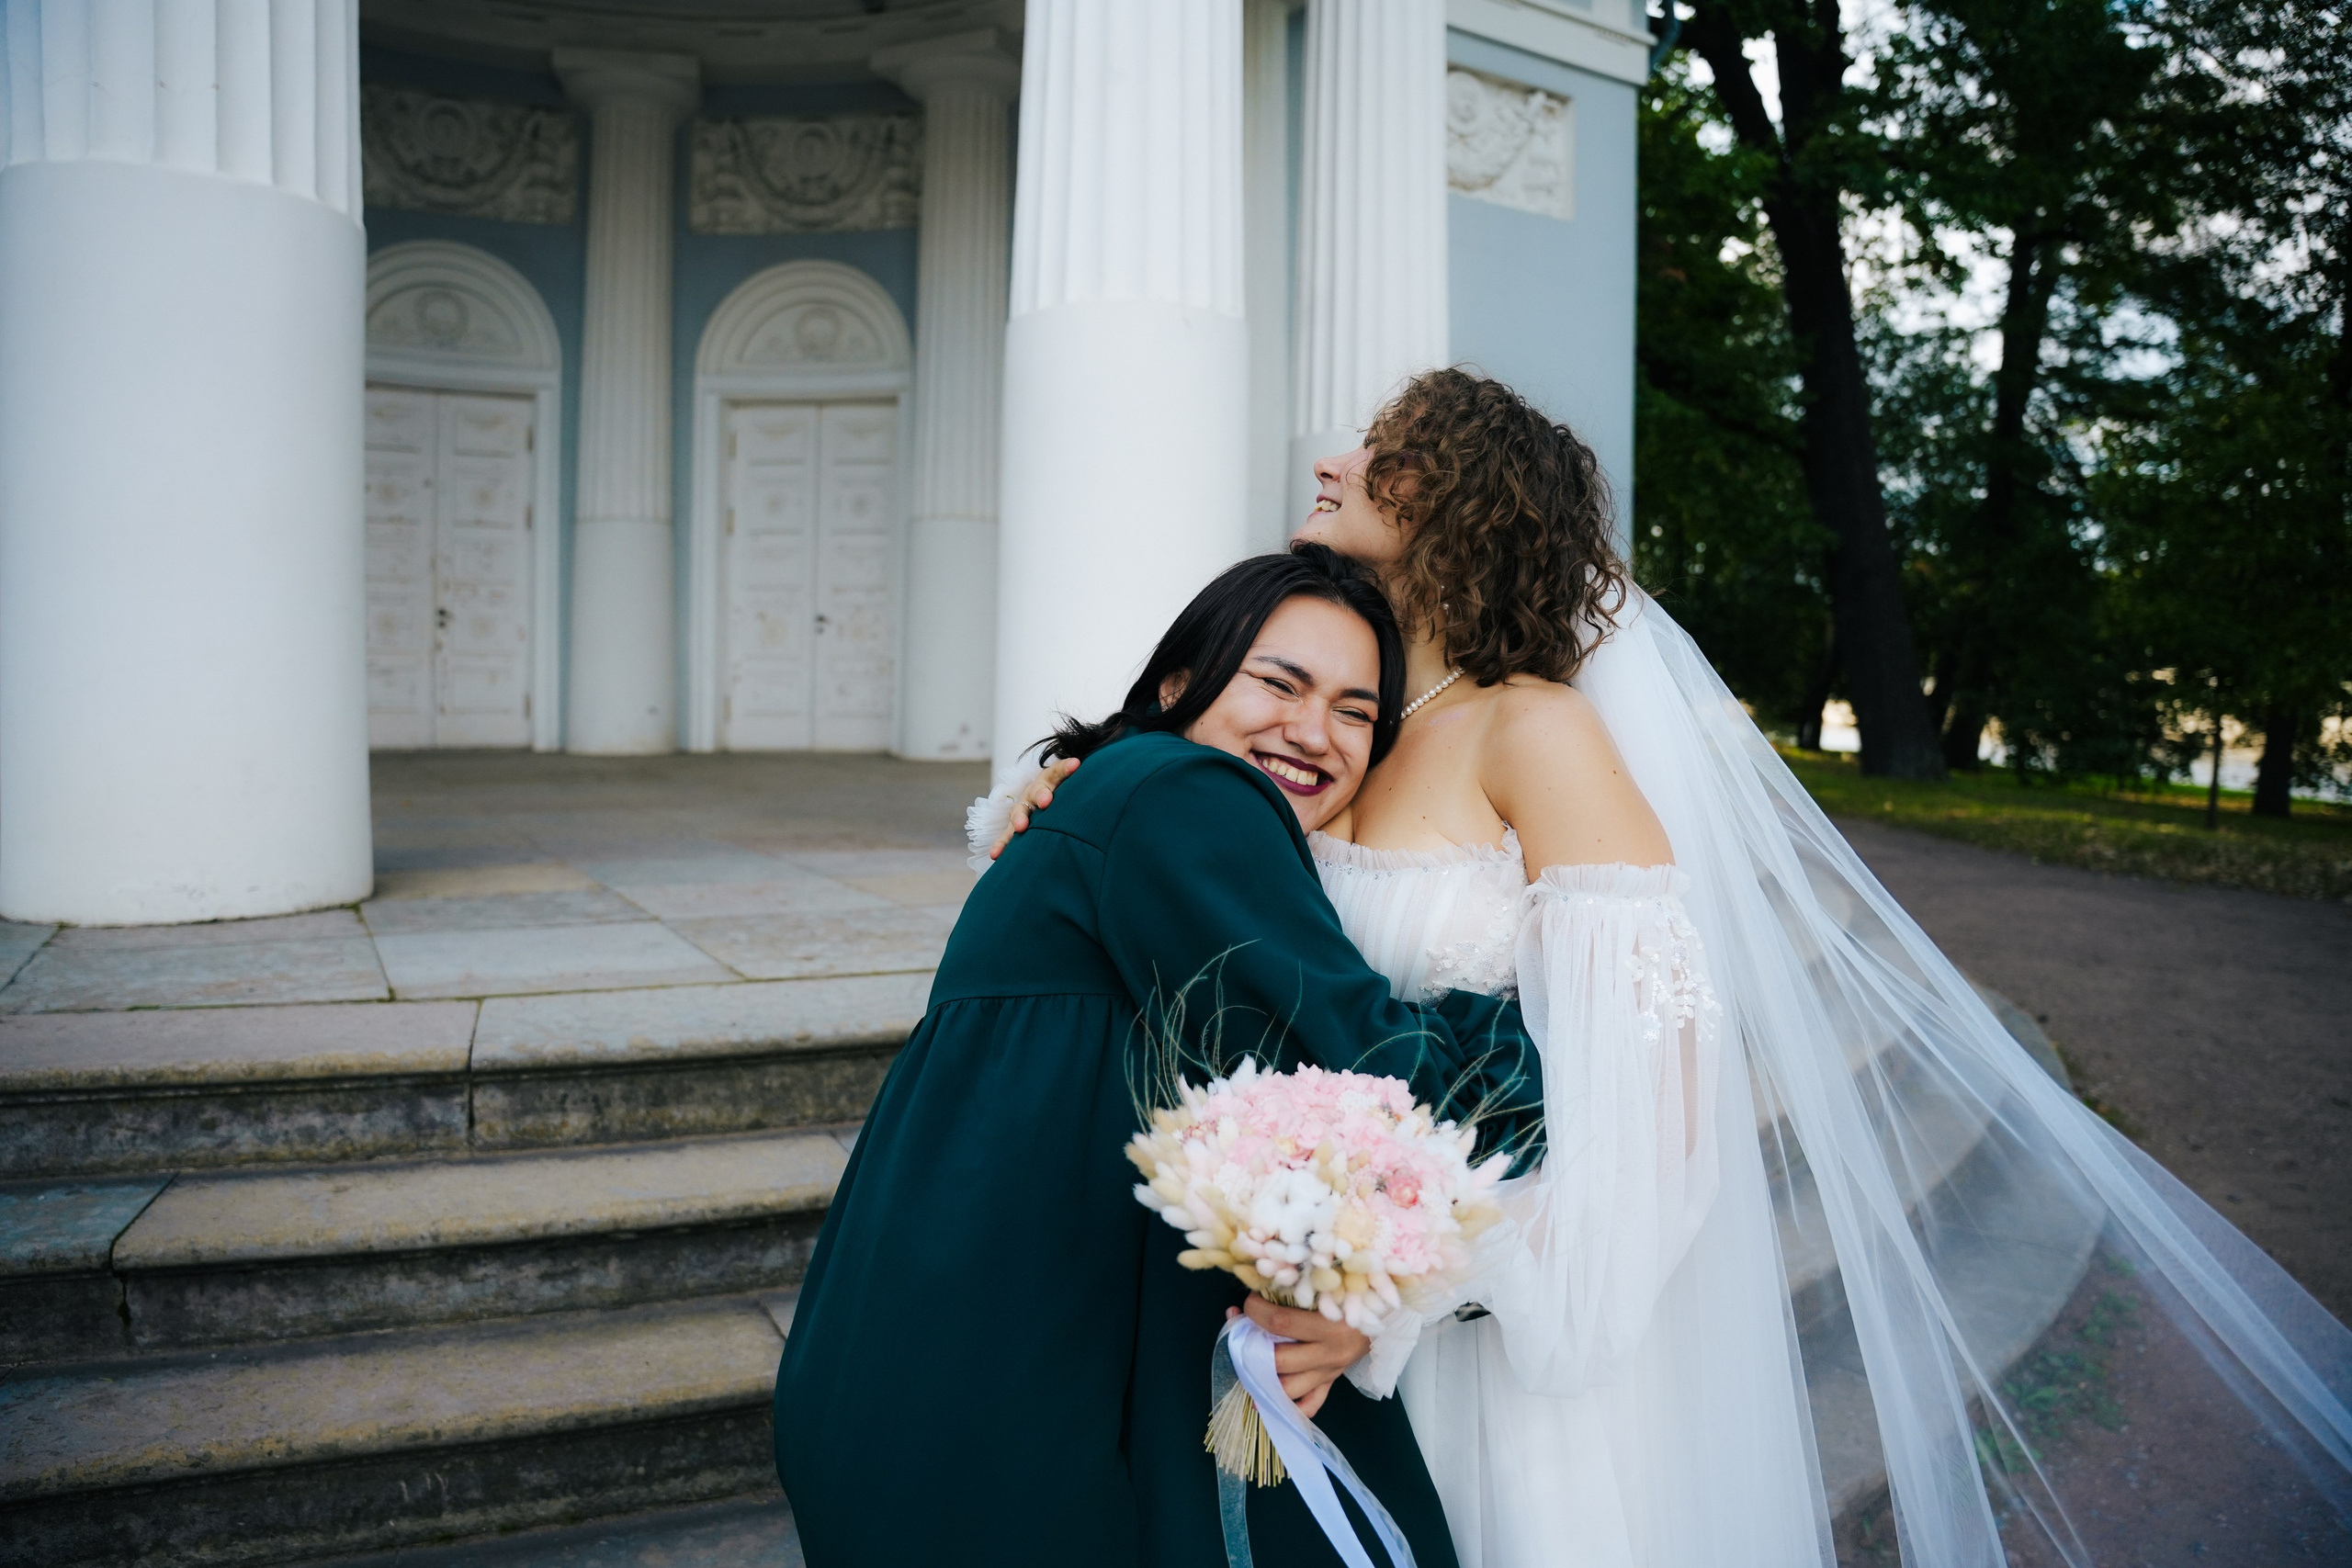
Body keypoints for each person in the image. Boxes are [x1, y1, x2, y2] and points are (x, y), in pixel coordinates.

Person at [986, 369, 2352, 1566]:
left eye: (1379, 451)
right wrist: (1071, 791)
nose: (1333, 461)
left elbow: (1657, 1124)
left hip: (1473, 1356)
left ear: (1456, 500)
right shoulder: (1352, 723)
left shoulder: (1539, 733)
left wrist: (1392, 1301)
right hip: (1285, 1299)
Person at [775, 544, 1546, 1568]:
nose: (1313, 731)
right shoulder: (1187, 795)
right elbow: (1376, 1075)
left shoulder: (1114, 788)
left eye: (1356, 712)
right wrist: (1524, 1030)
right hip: (1001, 1390)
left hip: (933, 1355)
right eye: (1280, 684)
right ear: (1179, 683)